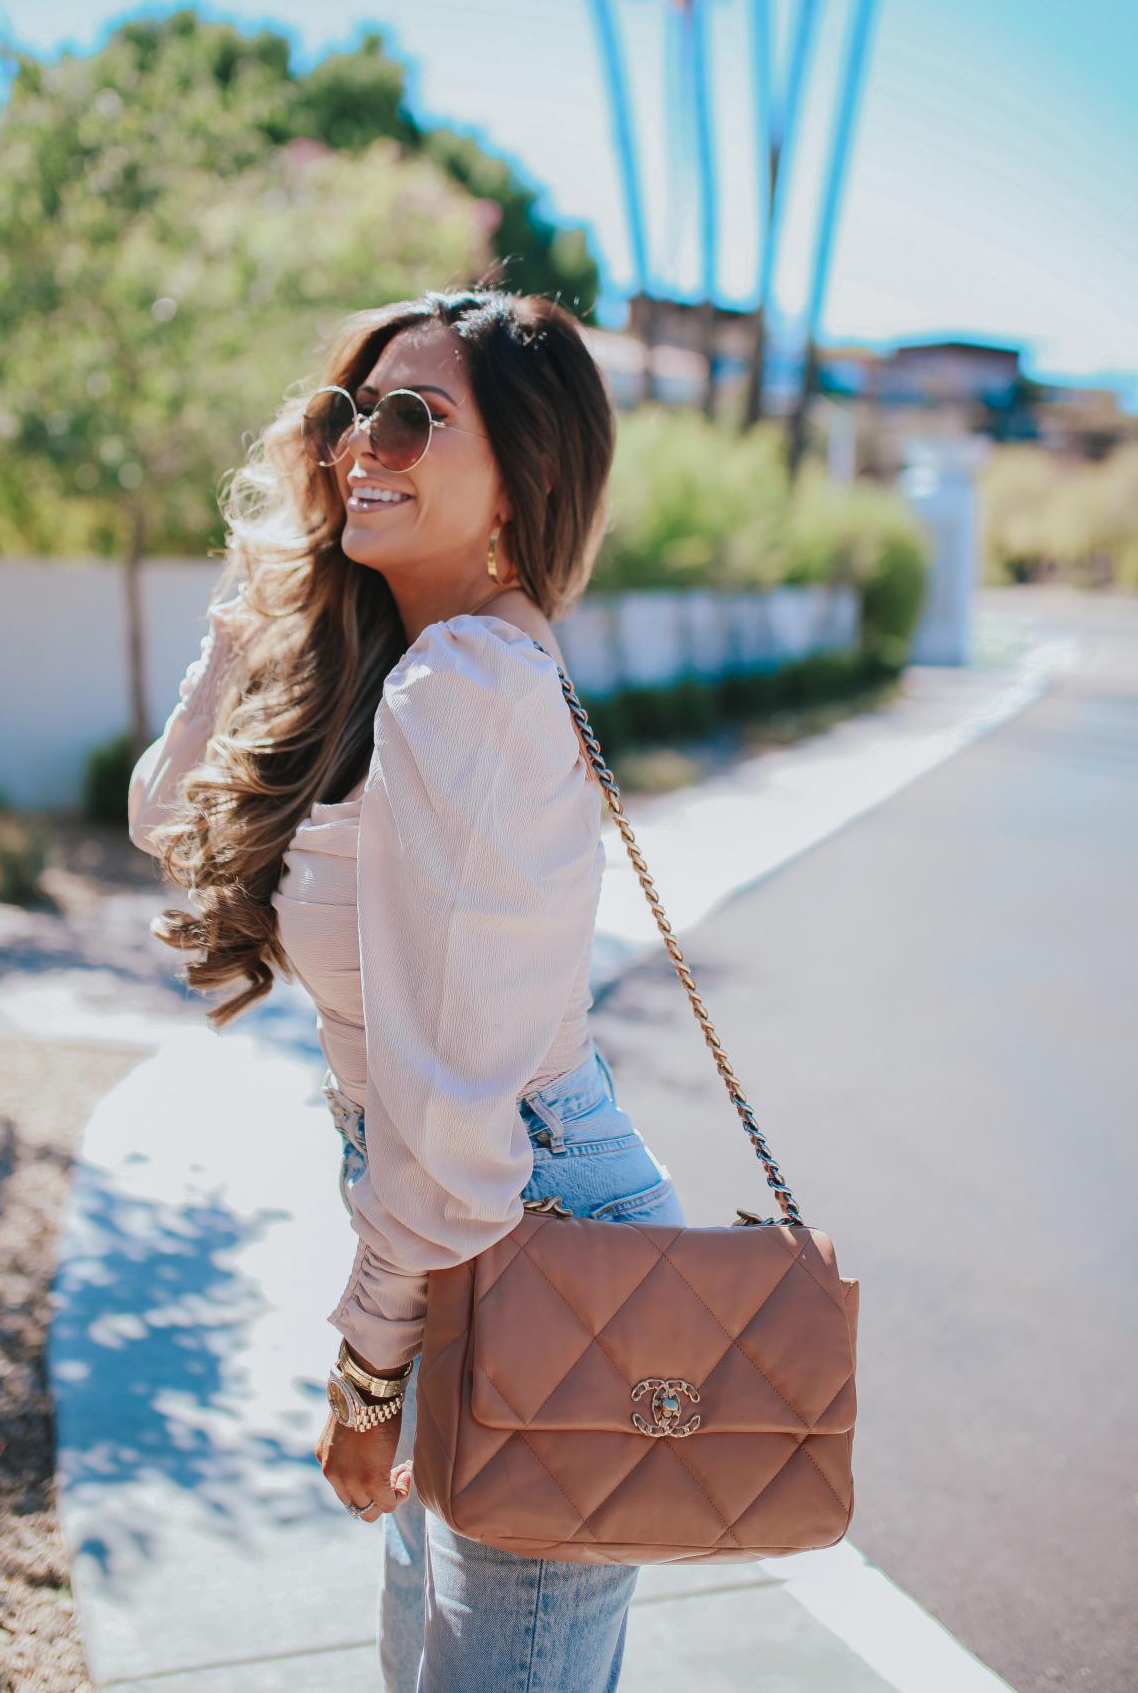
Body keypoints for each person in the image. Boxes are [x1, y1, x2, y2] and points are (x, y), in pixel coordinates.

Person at [129, 288, 684, 1693]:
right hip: (460, 1229)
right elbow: (164, 816)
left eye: (408, 416)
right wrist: (255, 610)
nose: (356, 444)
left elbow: (454, 1117)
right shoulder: (413, 667)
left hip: (517, 1233)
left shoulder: (466, 688)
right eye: (342, 413)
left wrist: (366, 1378)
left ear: (524, 475)